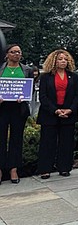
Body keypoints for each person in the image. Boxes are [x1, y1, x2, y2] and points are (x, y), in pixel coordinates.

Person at [37, 49, 78, 179]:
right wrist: (55, 110)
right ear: (54, 61)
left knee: (66, 142)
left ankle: (64, 167)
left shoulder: (73, 76)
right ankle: (45, 169)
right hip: (50, 113)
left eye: (65, 59)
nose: (63, 61)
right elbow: (43, 96)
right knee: (47, 142)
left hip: (68, 113)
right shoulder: (45, 76)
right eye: (60, 59)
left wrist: (70, 109)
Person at [0, 44, 34, 184]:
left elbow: (30, 89)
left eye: (19, 52)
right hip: (2, 108)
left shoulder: (27, 70)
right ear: (7, 54)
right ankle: (0, 169)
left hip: (18, 109)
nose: (16, 54)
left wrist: (24, 97)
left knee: (16, 139)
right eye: (13, 52)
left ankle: (13, 169)